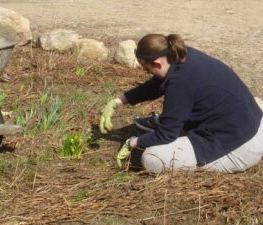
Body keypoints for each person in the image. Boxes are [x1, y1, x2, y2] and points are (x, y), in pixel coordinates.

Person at [99, 33, 263, 173]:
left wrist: (133, 142)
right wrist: (119, 100)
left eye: (147, 69)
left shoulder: (180, 83)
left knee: (153, 158)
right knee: (174, 117)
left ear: (157, 63)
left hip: (241, 148)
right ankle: (173, 126)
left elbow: (167, 134)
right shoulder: (182, 55)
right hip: (252, 123)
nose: (147, 73)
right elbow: (156, 85)